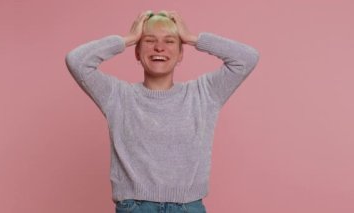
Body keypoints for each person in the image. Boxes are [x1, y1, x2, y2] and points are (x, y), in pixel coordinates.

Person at [65, 10, 259, 213]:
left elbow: (247, 58)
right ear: (137, 52)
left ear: (181, 53)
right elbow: (77, 61)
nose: (159, 47)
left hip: (188, 207)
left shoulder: (204, 93)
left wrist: (193, 39)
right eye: (149, 41)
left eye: (170, 41)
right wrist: (128, 39)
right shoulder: (118, 96)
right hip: (135, 208)